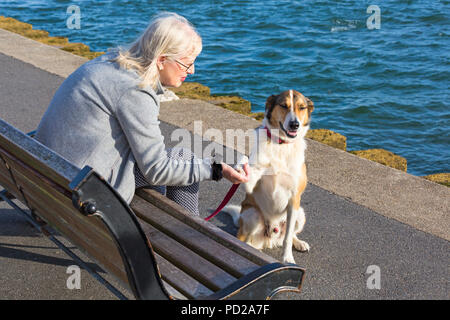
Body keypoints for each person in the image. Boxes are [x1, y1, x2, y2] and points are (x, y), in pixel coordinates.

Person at [35, 12, 249, 216]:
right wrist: (217, 170)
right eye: (187, 63)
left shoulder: (107, 63)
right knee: (184, 159)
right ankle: (192, 237)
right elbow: (157, 169)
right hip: (83, 194)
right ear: (162, 60)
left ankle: (169, 227)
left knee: (167, 161)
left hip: (49, 179)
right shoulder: (134, 90)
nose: (192, 71)